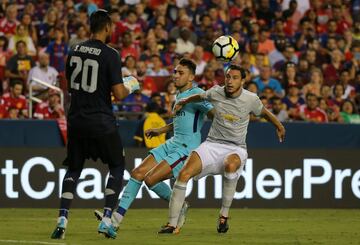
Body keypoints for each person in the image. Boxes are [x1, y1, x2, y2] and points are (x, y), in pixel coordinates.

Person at [158, 64, 285, 234]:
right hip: (212, 144)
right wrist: (184, 101)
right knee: (184, 174)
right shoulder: (216, 91)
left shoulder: (251, 99)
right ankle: (172, 224)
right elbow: (199, 95)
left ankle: (224, 215)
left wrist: (279, 126)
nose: (230, 81)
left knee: (230, 165)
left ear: (243, 81)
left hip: (236, 148)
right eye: (228, 77)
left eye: (234, 78)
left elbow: (264, 113)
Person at [94, 58, 214, 234]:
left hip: (185, 149)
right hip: (172, 142)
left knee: (150, 179)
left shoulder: (197, 95)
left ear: (191, 77)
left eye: (181, 73)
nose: (175, 76)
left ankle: (180, 206)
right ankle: (114, 221)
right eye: (175, 72)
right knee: (137, 173)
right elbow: (181, 121)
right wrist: (161, 130)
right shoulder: (179, 95)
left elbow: (214, 113)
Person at [50, 9, 140, 240]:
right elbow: (119, 94)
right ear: (108, 27)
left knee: (74, 168)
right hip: (101, 121)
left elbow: (73, 87)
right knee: (117, 165)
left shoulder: (74, 50)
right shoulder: (111, 54)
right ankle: (107, 219)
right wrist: (132, 85)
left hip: (77, 120)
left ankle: (62, 220)